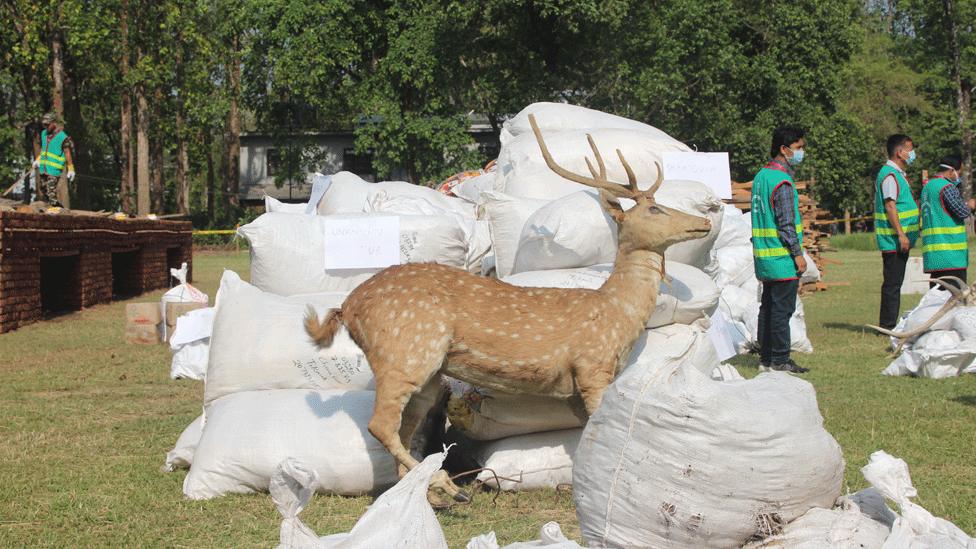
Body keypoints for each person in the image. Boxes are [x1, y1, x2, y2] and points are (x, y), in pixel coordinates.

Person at [750, 126, 809, 374]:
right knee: (782, 311)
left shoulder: (761, 176)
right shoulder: (782, 182)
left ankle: (766, 356)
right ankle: (780, 359)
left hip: (764, 257)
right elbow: (786, 224)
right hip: (781, 257)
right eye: (798, 148)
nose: (801, 152)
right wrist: (798, 255)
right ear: (784, 149)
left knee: (768, 307)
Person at [875, 134, 920, 330]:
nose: (912, 154)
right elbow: (890, 206)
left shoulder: (898, 174)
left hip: (899, 239)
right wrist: (901, 234)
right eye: (910, 150)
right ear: (899, 152)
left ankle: (889, 323)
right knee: (892, 284)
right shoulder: (890, 176)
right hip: (893, 240)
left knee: (896, 282)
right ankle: (888, 325)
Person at [920, 154, 973, 289]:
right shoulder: (947, 187)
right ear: (951, 171)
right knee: (954, 301)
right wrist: (970, 205)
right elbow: (963, 212)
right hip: (951, 256)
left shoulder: (928, 187)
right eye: (958, 172)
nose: (958, 176)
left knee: (936, 298)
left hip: (934, 256)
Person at [32, 112, 74, 207]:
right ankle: (58, 208)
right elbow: (44, 149)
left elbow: (67, 153)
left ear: (54, 123)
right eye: (44, 124)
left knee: (51, 192)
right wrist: (38, 159)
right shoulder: (43, 134)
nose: (45, 126)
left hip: (54, 170)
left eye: (47, 124)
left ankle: (56, 212)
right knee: (43, 188)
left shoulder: (62, 137)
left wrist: (71, 168)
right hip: (44, 168)